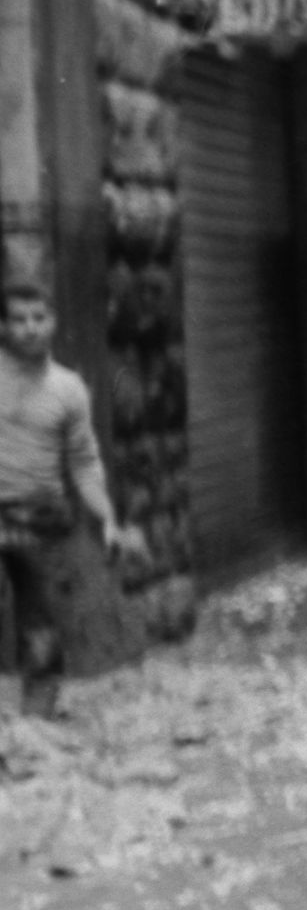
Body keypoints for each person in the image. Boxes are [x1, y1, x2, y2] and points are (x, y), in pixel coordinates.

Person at [0, 286, 142, 718]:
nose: (30, 328)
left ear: (53, 322)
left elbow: (83, 463)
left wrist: (107, 518)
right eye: (20, 319)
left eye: (38, 317)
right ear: (3, 327)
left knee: (41, 626)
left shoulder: (69, 389)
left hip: (43, 520)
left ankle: (36, 725)